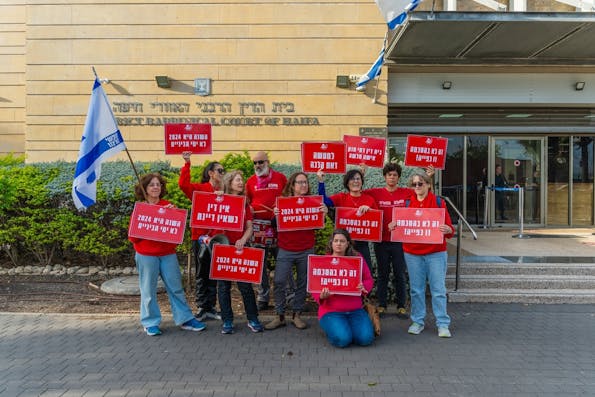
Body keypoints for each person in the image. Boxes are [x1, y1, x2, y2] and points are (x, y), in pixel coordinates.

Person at [129, 173, 207, 336]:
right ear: (145, 189)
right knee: (148, 290)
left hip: (167, 254)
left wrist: (169, 215)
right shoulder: (141, 208)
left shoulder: (168, 206)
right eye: (151, 185)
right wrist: (151, 214)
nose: (155, 187)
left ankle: (185, 319)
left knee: (176, 288)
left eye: (158, 184)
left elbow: (175, 235)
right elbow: (133, 237)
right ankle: (150, 322)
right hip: (146, 255)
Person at [389, 172, 454, 338]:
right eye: (414, 184)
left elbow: (449, 229)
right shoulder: (407, 203)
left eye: (421, 183)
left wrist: (448, 230)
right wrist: (394, 226)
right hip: (412, 253)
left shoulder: (439, 202)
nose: (417, 187)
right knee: (416, 290)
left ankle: (442, 323)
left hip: (436, 253)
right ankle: (418, 321)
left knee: (438, 289)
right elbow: (400, 226)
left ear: (428, 185)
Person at [265, 172, 328, 330]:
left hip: (306, 249)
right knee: (279, 281)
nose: (303, 185)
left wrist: (323, 214)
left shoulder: (313, 202)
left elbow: (317, 225)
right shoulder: (283, 202)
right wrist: (276, 215)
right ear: (292, 185)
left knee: (302, 283)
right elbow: (273, 224)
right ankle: (279, 316)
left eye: (305, 182)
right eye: (300, 182)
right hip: (286, 249)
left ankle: (296, 314)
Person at [213, 170, 264, 334]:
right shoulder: (219, 200)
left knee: (246, 287)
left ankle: (253, 318)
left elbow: (249, 227)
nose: (241, 183)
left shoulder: (245, 204)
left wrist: (243, 239)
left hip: (240, 248)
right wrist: (218, 197)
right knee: (223, 287)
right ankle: (227, 320)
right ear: (229, 182)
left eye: (241, 180)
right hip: (222, 249)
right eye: (237, 180)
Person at [178, 151, 224, 321]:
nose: (222, 173)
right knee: (201, 273)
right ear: (211, 173)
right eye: (220, 170)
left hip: (218, 239)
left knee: (214, 273)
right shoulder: (200, 189)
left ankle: (211, 306)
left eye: (223, 171)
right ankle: (201, 306)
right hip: (201, 238)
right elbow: (183, 185)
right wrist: (187, 163)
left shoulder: (224, 191)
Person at [311, 229, 375, 348]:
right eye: (336, 241)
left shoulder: (357, 259)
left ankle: (346, 327)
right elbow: (315, 284)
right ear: (331, 243)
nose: (339, 244)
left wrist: (363, 287)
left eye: (342, 241)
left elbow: (368, 279)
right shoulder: (324, 261)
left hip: (355, 310)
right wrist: (321, 296)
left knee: (366, 339)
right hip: (331, 311)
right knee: (343, 340)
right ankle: (335, 328)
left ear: (348, 244)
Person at [363, 163, 410, 318]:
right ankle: (382, 305)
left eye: (395, 175)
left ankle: (401, 305)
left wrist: (428, 178)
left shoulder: (406, 193)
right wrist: (362, 173)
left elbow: (422, 193)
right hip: (381, 240)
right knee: (383, 274)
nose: (392, 177)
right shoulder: (375, 193)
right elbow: (358, 192)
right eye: (389, 175)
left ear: (398, 177)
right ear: (384, 177)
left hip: (399, 240)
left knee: (399, 273)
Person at [245, 151, 287, 311]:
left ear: (268, 162)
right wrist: (250, 209)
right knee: (260, 264)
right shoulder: (250, 181)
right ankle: (263, 297)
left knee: (283, 262)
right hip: (258, 227)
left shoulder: (280, 178)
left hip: (277, 226)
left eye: (261, 162)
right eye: (255, 163)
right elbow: (247, 202)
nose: (258, 165)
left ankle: (287, 296)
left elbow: (288, 196)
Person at [317, 169, 378, 271]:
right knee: (345, 274)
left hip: (362, 245)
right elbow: (323, 200)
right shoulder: (341, 197)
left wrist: (370, 211)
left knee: (365, 274)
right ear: (347, 183)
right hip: (344, 245)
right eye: (352, 179)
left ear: (362, 182)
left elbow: (378, 221)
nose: (355, 181)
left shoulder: (369, 199)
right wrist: (321, 181)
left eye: (358, 179)